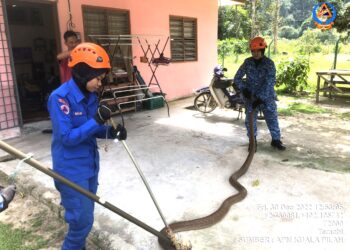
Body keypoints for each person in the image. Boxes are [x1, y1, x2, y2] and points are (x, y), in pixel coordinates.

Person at [48, 42, 127, 250]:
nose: (100, 84)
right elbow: (67, 138)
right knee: (82, 223)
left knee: (84, 217)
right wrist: (96, 120)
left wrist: (112, 132)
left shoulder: (90, 96)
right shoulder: (59, 98)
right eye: (98, 78)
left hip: (90, 165)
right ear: (83, 72)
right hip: (71, 170)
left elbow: (92, 130)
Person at [234, 36, 286, 151]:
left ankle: (276, 140)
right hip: (250, 98)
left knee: (272, 117)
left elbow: (269, 82)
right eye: (253, 51)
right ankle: (253, 141)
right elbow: (237, 78)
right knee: (250, 121)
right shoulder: (247, 62)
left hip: (266, 97)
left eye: (258, 50)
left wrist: (260, 98)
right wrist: (245, 90)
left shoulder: (269, 64)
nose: (255, 53)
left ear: (263, 50)